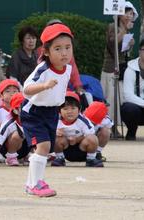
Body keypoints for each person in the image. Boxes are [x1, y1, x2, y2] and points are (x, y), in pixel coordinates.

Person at [20, 24, 74, 197]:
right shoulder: (42, 69)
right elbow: (26, 90)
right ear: (47, 52)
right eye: (58, 48)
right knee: (43, 146)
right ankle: (36, 184)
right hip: (33, 111)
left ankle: (31, 184)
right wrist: (43, 85)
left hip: (51, 112)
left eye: (68, 47)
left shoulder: (69, 69)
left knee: (47, 148)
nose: (64, 53)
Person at [101, 1, 138, 130]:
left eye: (131, 13)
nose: (129, 16)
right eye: (127, 13)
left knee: (120, 98)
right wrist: (123, 31)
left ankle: (116, 125)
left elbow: (123, 51)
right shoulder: (112, 26)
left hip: (121, 68)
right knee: (110, 98)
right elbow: (112, 44)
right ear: (120, 14)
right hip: (111, 68)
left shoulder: (127, 30)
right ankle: (109, 126)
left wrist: (130, 43)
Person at [51, 91, 103, 167]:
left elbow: (91, 134)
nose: (69, 111)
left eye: (73, 108)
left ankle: (91, 159)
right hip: (65, 150)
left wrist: (77, 139)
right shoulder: (55, 121)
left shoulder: (83, 121)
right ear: (59, 111)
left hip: (82, 150)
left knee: (92, 138)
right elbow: (46, 132)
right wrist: (55, 132)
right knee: (55, 138)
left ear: (79, 110)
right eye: (65, 109)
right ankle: (59, 158)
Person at [0, 93, 30, 166]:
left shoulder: (33, 121)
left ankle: (29, 156)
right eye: (22, 107)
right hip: (8, 149)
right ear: (15, 110)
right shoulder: (10, 123)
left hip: (25, 149)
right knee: (17, 135)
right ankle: (11, 157)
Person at [120, 38, 144, 140]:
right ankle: (131, 131)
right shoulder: (130, 69)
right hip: (137, 108)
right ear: (139, 51)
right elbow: (128, 95)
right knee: (128, 109)